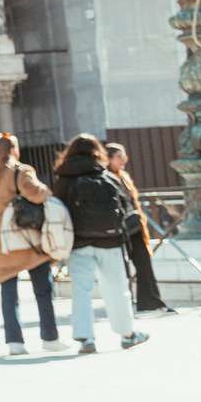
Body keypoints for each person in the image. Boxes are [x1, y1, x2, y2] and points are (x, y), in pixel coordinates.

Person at [52, 134, 150, 355]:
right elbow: (125, 206)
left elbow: (56, 209)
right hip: (110, 240)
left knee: (81, 290)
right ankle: (127, 334)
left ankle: (86, 338)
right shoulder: (105, 175)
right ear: (97, 151)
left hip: (78, 242)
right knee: (117, 288)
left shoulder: (64, 179)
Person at [0, 134, 60, 355]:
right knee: (43, 290)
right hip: (25, 242)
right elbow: (39, 194)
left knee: (8, 295)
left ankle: (15, 342)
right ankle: (49, 337)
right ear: (13, 149)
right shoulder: (19, 171)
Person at [106, 143, 170, 314]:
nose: (123, 160)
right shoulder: (105, 178)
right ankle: (122, 303)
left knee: (144, 262)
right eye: (119, 156)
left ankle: (151, 301)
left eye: (124, 156)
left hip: (134, 226)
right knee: (120, 268)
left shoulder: (123, 176)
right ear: (109, 158)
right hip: (118, 229)